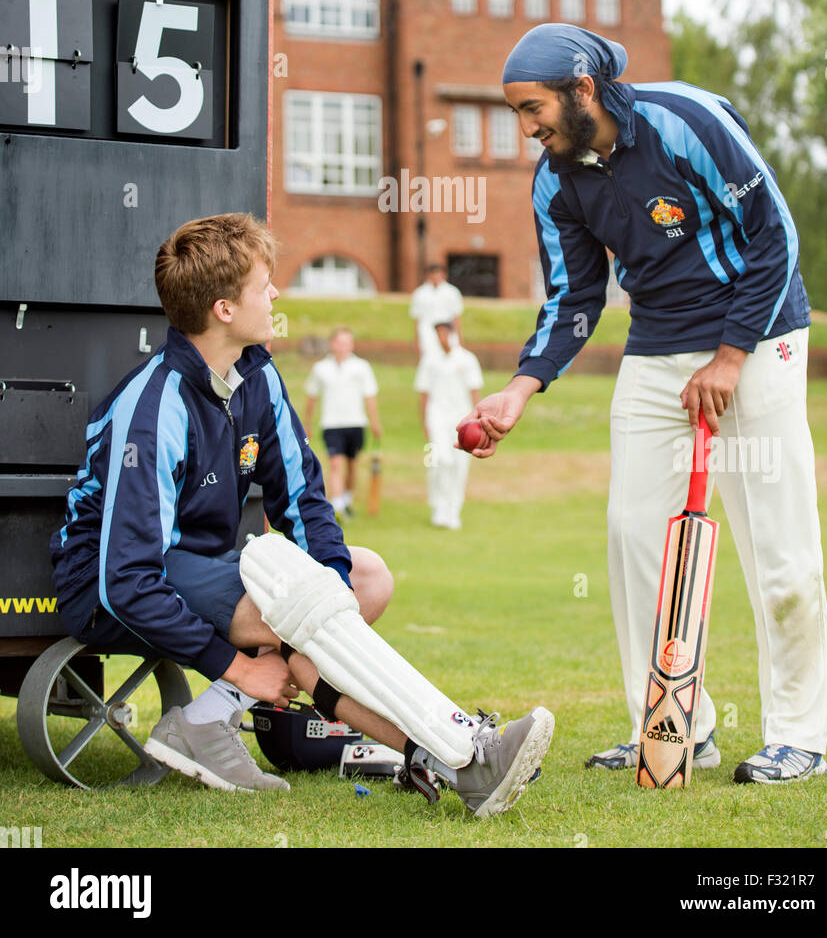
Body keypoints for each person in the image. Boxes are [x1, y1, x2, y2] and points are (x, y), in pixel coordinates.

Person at [50, 213, 553, 813]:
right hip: (114, 585)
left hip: (201, 564)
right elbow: (126, 576)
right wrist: (237, 667)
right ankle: (466, 754)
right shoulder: (156, 405)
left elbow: (304, 500)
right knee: (309, 618)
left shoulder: (256, 375)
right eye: (265, 285)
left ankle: (210, 722)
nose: (277, 294)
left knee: (364, 578)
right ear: (224, 309)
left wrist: (332, 598)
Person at [461, 24, 827, 786]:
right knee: (634, 537)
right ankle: (671, 728)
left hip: (758, 340)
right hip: (656, 349)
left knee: (779, 552)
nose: (525, 127)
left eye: (531, 109)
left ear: (582, 90)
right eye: (516, 114)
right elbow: (573, 297)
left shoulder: (684, 120)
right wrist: (519, 387)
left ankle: (797, 735)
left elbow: (775, 235)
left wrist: (731, 355)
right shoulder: (554, 179)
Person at [304, 327, 381, 518]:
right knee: (336, 464)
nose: (343, 347)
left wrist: (375, 422)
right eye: (339, 342)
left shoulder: (361, 367)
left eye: (347, 343)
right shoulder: (320, 368)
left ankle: (347, 499)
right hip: (331, 423)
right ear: (332, 344)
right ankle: (337, 505)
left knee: (352, 465)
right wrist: (307, 424)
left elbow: (369, 396)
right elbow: (312, 397)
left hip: (355, 422)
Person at [415, 318, 483, 529]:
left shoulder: (466, 359)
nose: (441, 337)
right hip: (436, 416)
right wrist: (425, 422)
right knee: (438, 461)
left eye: (444, 332)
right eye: (438, 333)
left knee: (459, 464)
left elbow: (475, 392)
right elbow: (424, 393)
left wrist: (478, 423)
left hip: (462, 418)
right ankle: (438, 507)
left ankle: (453, 510)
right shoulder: (430, 360)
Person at [409, 262, 464, 358]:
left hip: (447, 330)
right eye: (433, 274)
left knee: (450, 355)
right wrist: (416, 339)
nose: (436, 276)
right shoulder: (420, 293)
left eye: (438, 273)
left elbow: (456, 316)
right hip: (427, 330)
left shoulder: (452, 292)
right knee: (428, 356)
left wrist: (459, 336)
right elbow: (417, 317)